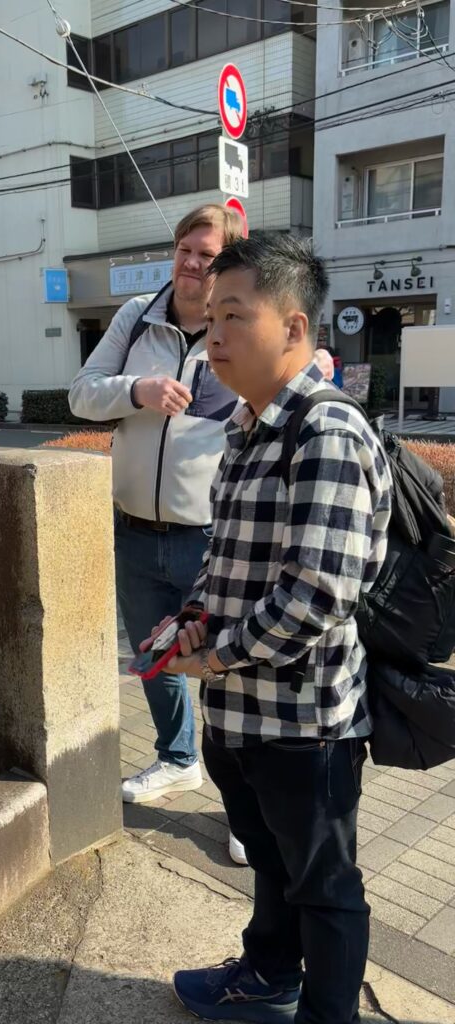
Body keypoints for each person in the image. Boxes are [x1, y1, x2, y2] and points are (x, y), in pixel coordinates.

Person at [166, 235, 392, 1024]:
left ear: (294, 327)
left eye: (235, 315)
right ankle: (267, 973)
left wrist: (218, 656)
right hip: (239, 712)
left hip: (305, 722)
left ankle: (328, 1013)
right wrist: (193, 618)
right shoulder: (246, 427)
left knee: (325, 887)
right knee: (270, 860)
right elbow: (224, 557)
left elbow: (316, 595)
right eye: (210, 317)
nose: (214, 335)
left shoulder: (327, 431)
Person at [69, 205, 247, 866]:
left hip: (212, 538)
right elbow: (81, 394)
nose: (192, 263)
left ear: (227, 262)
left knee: (225, 673)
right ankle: (177, 759)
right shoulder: (136, 317)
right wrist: (136, 389)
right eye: (185, 249)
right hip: (136, 530)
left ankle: (244, 805)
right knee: (156, 658)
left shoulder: (235, 326)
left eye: (207, 253)